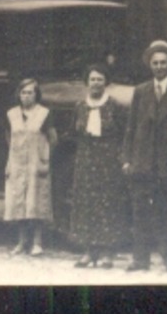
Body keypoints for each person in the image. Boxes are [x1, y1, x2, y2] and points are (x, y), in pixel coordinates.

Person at [122, 40, 167, 273]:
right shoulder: (141, 91)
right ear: (149, 65)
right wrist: (127, 159)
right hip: (143, 163)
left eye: (163, 62)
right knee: (140, 213)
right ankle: (140, 260)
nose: (159, 67)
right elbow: (131, 128)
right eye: (155, 63)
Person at [68, 64, 128, 268]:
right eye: (92, 79)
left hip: (108, 160)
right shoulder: (79, 106)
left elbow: (123, 133)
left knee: (108, 203)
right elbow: (73, 132)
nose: (96, 83)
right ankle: (88, 251)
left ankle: (107, 252)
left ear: (106, 82)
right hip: (85, 159)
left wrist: (121, 158)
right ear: (87, 82)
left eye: (100, 79)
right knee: (86, 203)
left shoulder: (114, 106)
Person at [2, 77, 57, 256]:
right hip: (17, 163)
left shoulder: (44, 113)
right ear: (19, 94)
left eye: (30, 92)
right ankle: (21, 241)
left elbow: (53, 138)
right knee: (19, 203)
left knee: (36, 202)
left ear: (36, 94)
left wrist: (43, 156)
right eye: (23, 92)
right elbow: (9, 137)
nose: (27, 96)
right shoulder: (11, 114)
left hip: (36, 163)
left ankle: (37, 242)